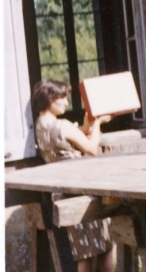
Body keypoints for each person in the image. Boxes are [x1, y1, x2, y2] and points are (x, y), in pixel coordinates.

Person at [32, 80, 114, 272]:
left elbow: (64, 143)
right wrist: (98, 124)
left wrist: (85, 128)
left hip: (65, 192)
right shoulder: (62, 124)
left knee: (83, 252)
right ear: (49, 99)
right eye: (62, 98)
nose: (66, 103)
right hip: (84, 190)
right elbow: (92, 149)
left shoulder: (40, 125)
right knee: (103, 250)